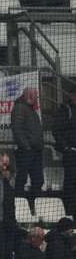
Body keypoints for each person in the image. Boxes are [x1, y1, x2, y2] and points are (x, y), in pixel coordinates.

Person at [11, 87, 44, 208]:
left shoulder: (30, 109)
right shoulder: (20, 108)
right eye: (36, 95)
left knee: (38, 180)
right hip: (26, 151)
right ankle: (20, 206)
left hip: (35, 150)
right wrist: (27, 147)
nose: (37, 98)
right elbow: (17, 129)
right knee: (21, 180)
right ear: (29, 96)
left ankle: (35, 206)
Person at [53, 85, 76, 217]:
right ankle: (70, 213)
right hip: (71, 153)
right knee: (70, 183)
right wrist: (66, 148)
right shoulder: (64, 110)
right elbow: (56, 130)